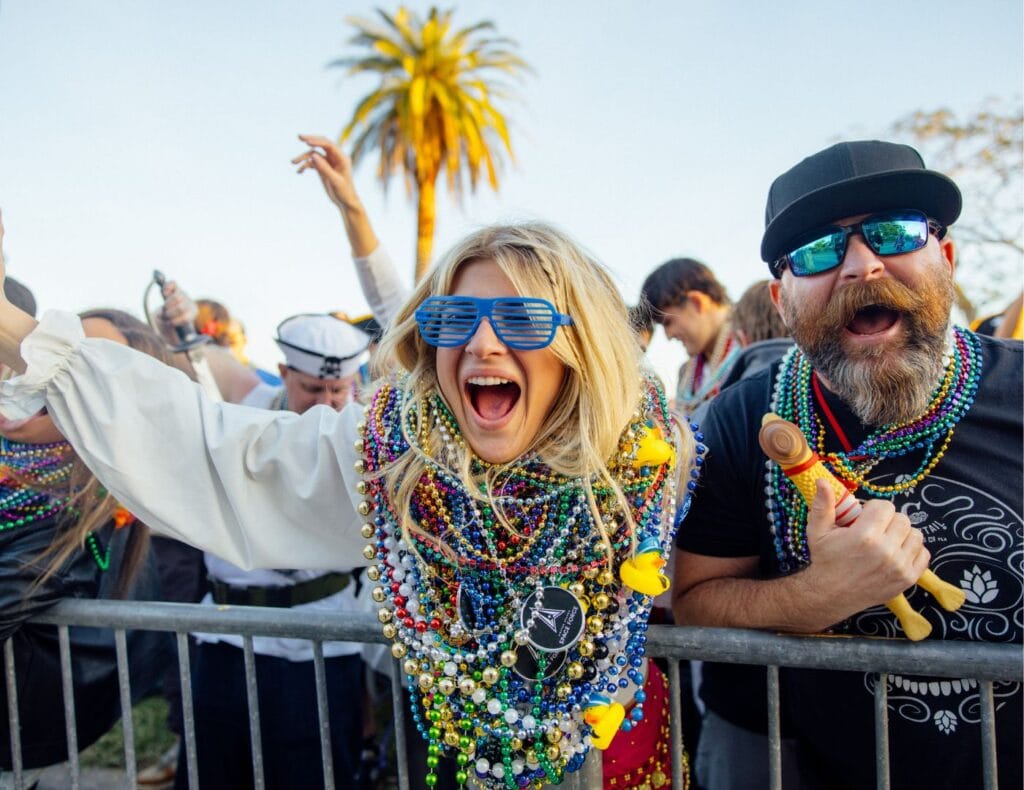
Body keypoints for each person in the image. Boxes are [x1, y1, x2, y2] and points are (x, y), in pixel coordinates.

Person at [0, 206, 696, 789]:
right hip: (454, 759)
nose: (483, 342)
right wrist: (18, 331)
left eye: (521, 320)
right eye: (455, 319)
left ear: (578, 342)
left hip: (605, 758)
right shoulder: (396, 459)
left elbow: (703, 588)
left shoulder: (652, 454)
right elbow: (220, 448)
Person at [673, 140, 1022, 790]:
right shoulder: (743, 420)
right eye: (815, 250)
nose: (862, 265)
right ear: (781, 299)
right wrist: (814, 598)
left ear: (945, 257)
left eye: (894, 231)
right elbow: (694, 602)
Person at [0, 307, 170, 779]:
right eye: (64, 348)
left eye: (88, 364)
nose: (57, 369)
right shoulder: (16, 462)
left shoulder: (85, 515)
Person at [640, 258, 742, 416]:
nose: (668, 336)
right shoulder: (687, 374)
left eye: (668, 322)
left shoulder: (756, 335)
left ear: (697, 302)